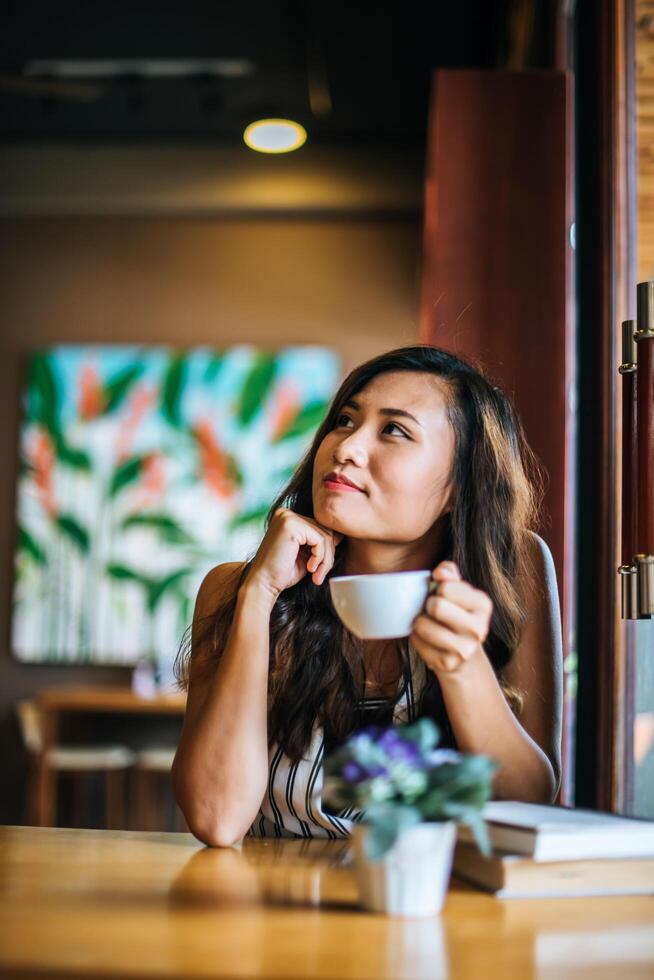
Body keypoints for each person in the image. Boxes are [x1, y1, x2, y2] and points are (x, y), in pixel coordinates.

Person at [172, 345, 563, 846]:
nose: (346, 448)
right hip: (272, 912)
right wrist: (259, 595)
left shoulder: (512, 572)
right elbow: (215, 818)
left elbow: (530, 806)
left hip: (437, 911)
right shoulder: (237, 589)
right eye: (344, 421)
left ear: (459, 485)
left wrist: (461, 667)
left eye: (394, 430)